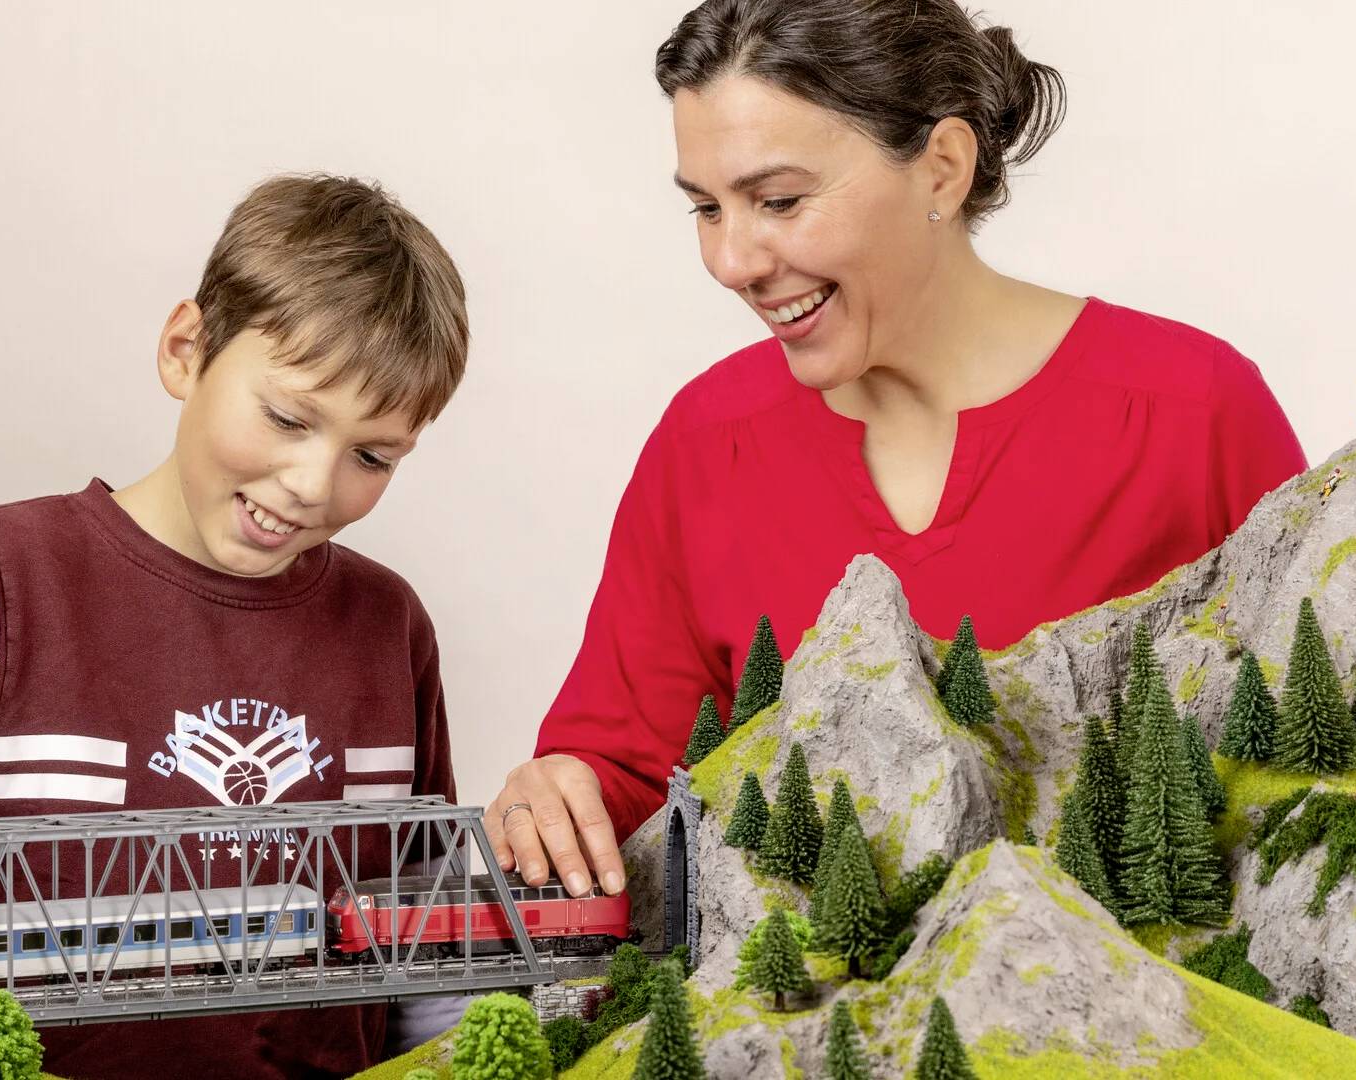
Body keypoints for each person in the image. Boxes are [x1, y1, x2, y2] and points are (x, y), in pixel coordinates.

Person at [484, 0, 1309, 899]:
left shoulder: (1195, 414)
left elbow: (1320, 752)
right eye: (707, 208)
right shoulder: (706, 443)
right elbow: (629, 780)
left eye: (779, 201)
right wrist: (555, 792)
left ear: (942, 168)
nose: (731, 262)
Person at [0, 174, 471, 1078]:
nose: (313, 485)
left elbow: (435, 948)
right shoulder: (8, 572)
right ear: (185, 351)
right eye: (286, 417)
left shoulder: (390, 625)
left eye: (372, 456)